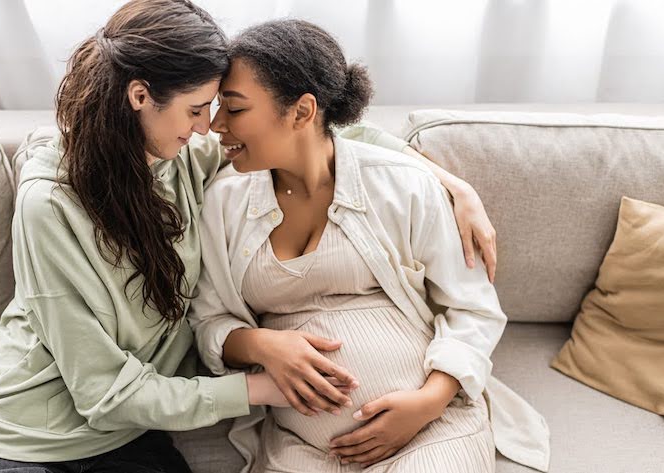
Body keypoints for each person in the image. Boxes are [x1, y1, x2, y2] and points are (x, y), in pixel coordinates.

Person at [0, 1, 499, 472]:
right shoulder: (52, 204)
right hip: (20, 443)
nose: (209, 125)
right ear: (140, 97)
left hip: (130, 439)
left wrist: (452, 184)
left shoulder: (182, 156)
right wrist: (261, 385)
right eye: (196, 108)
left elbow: (321, 126)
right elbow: (104, 392)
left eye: (216, 108)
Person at [190, 19, 507, 472]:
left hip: (430, 431)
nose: (216, 125)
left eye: (235, 109)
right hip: (300, 445)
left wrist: (427, 402)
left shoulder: (404, 186)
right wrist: (262, 345)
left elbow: (473, 309)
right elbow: (207, 322)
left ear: (301, 112)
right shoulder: (223, 202)